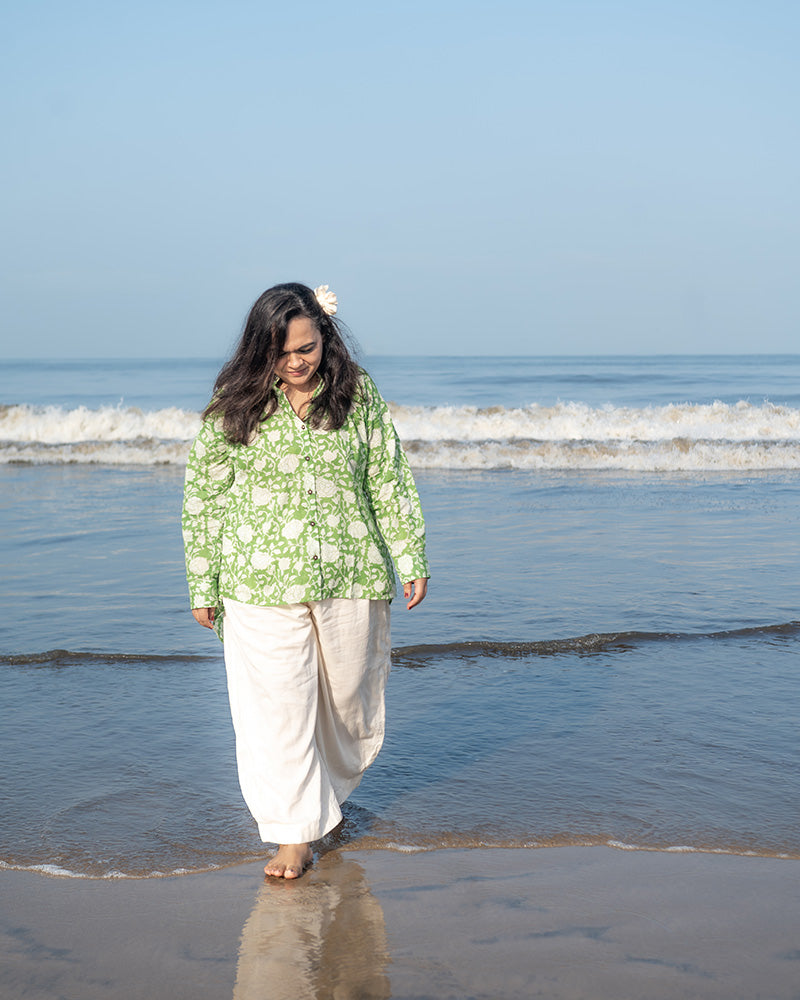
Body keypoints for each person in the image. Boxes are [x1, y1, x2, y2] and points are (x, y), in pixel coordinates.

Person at [182, 282, 429, 879]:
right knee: (279, 709)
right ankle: (294, 833)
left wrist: (410, 554)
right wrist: (202, 580)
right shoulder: (236, 401)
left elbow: (386, 476)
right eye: (283, 352)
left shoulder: (356, 393)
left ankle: (326, 800)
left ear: (326, 336)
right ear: (260, 348)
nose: (296, 362)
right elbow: (204, 495)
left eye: (308, 347)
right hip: (256, 579)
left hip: (350, 570)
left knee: (349, 701)